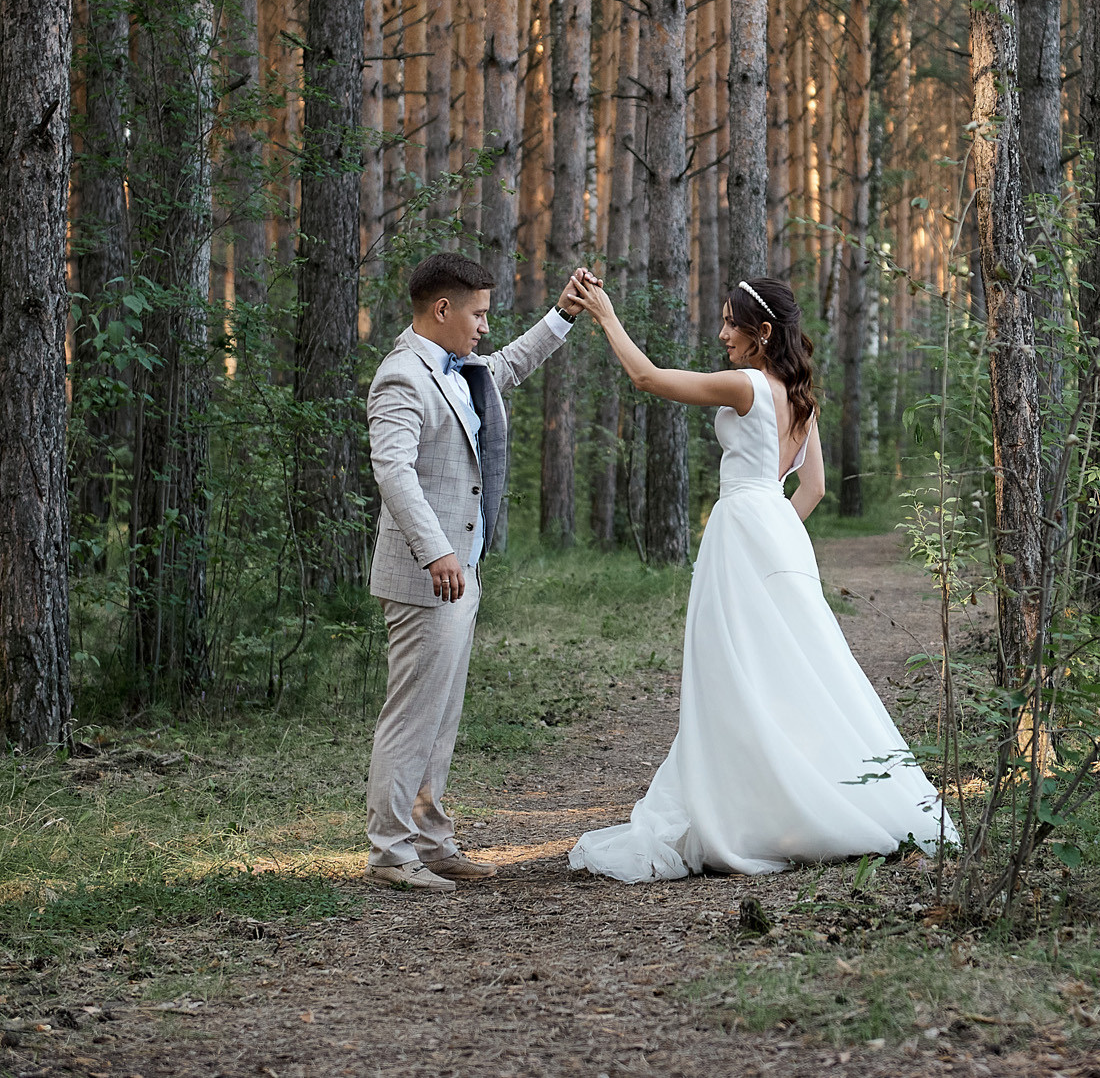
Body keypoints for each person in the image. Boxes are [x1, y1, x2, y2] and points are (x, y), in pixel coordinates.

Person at [566, 272, 947, 882]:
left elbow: (648, 379)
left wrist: (608, 316)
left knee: (734, 670)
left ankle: (753, 808)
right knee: (802, 669)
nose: (721, 335)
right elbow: (814, 488)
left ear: (762, 332)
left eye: (728, 324)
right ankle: (834, 795)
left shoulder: (747, 386)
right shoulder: (800, 396)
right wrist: (774, 527)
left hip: (745, 527)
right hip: (779, 533)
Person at [362, 252, 588, 892]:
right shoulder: (402, 378)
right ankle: (390, 851)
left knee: (442, 716)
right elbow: (394, 473)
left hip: (463, 570)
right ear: (443, 310)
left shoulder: (460, 368)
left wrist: (564, 313)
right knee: (412, 714)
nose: (485, 326)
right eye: (479, 314)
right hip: (426, 574)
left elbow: (510, 364)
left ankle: (432, 840)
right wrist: (436, 552)